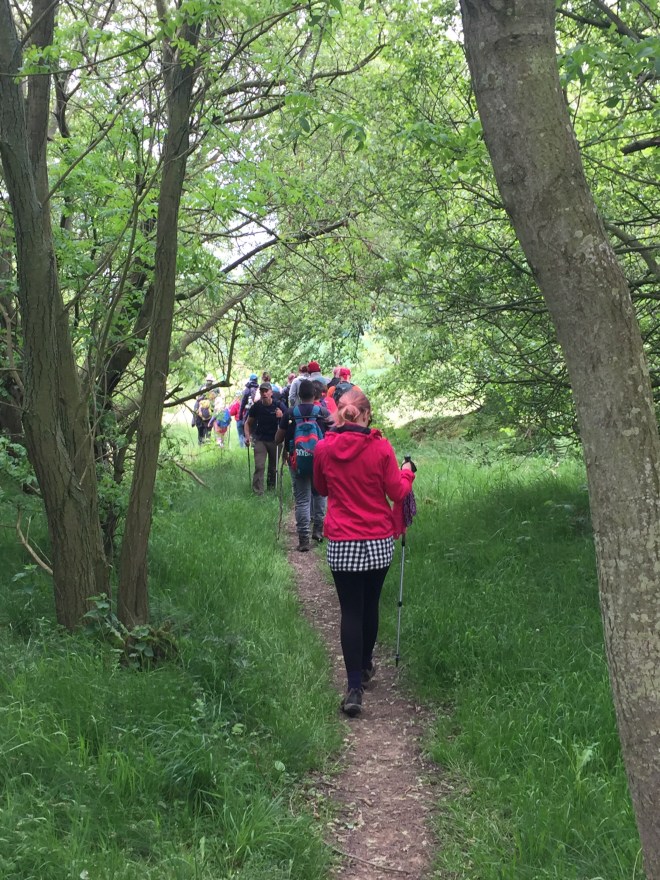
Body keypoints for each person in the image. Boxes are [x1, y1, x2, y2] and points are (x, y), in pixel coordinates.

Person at [313, 388, 416, 718]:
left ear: (338, 414)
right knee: (370, 605)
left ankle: (354, 687)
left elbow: (321, 488)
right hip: (377, 540)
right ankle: (367, 662)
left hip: (342, 541)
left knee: (350, 611)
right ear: (367, 415)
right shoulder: (381, 447)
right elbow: (397, 491)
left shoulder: (324, 448)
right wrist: (408, 471)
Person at [275, 378, 330, 552]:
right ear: (315, 395)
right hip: (319, 462)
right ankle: (318, 531)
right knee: (320, 495)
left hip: (297, 461)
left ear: (298, 395)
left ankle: (303, 539)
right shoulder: (323, 413)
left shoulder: (290, 413)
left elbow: (278, 439)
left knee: (302, 500)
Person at [244, 382, 283, 495]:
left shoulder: (278, 405)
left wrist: (282, 416)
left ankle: (271, 490)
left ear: (271, 392)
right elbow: (247, 423)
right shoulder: (256, 407)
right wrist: (247, 436)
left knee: (273, 467)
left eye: (266, 391)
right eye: (262, 391)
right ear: (260, 393)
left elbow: (288, 420)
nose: (264, 393)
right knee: (259, 465)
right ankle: (258, 492)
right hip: (260, 439)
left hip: (275, 440)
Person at [192, 374, 217, 445]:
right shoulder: (213, 388)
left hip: (205, 410)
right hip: (207, 411)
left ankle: (202, 444)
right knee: (207, 430)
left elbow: (198, 399)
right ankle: (206, 444)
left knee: (202, 430)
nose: (209, 382)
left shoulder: (212, 388)